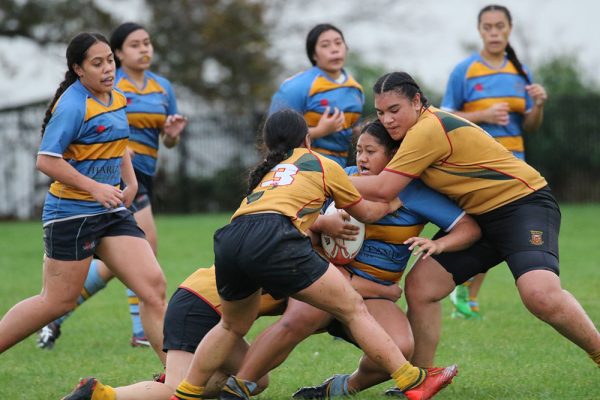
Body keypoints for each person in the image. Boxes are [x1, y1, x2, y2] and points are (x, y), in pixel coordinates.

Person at [168, 109, 457, 400]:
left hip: (231, 237)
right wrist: (390, 204)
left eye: (370, 151)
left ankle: (185, 393)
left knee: (230, 325)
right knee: (352, 308)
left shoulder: (270, 171)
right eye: (361, 150)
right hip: (276, 238)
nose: (362, 157)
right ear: (308, 139)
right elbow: (367, 212)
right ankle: (412, 380)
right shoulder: (324, 164)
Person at [348, 72, 600, 386]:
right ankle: (424, 380)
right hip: (478, 218)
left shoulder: (428, 128)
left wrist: (325, 177)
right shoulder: (412, 133)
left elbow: (384, 188)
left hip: (523, 205)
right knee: (422, 287)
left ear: (416, 101)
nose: (386, 119)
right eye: (381, 112)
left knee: (540, 296)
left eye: (394, 110)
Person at [0, 32, 167, 363]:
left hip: (111, 211)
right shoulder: (73, 105)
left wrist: (129, 182)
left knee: (153, 289)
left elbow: (120, 146)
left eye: (109, 60)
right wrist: (94, 187)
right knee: (56, 302)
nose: (107, 68)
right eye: (97, 63)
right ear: (78, 68)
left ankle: (178, 381)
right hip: (72, 215)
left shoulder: (116, 97)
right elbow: (46, 160)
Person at [37, 22, 187, 349]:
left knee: (130, 271)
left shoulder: (160, 88)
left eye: (147, 42)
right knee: (142, 256)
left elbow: (145, 142)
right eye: (135, 45)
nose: (144, 49)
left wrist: (170, 138)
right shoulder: (86, 96)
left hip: (133, 181)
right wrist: (102, 184)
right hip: (98, 190)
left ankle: (58, 318)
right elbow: (49, 157)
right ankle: (134, 330)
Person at [441, 4, 548, 320]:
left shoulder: (519, 70)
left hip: (515, 163)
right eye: (488, 27)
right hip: (477, 165)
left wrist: (538, 105)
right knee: (482, 224)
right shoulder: (465, 71)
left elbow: (531, 125)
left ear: (509, 29)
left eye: (499, 26)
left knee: (500, 230)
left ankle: (468, 296)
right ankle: (459, 287)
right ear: (479, 31)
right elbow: (444, 116)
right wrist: (482, 115)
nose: (494, 33)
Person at [61, 265, 284, 400]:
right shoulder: (303, 262)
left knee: (255, 378)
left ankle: (181, 374)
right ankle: (100, 395)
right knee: (178, 390)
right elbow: (293, 325)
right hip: (200, 308)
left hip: (208, 308)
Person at [269, 23, 364, 167]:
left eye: (338, 43)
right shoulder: (296, 86)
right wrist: (319, 131)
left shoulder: (355, 89)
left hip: (339, 170)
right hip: (302, 168)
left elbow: (353, 129)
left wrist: (362, 132)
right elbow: (275, 134)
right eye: (325, 45)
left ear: (346, 48)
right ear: (313, 54)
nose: (334, 49)